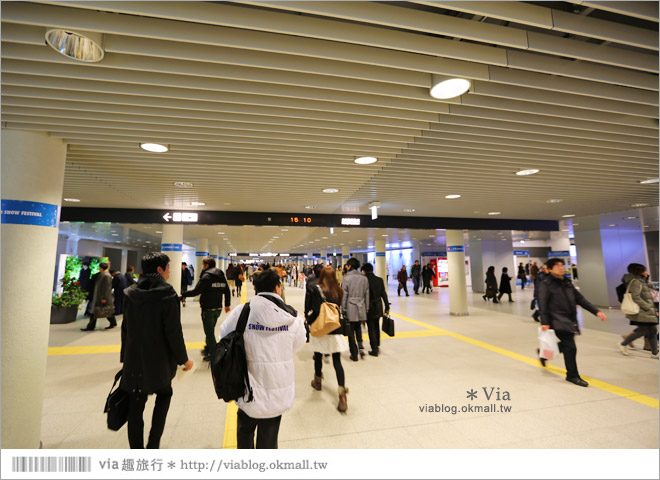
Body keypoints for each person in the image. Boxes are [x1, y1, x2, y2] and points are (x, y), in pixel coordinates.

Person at [219, 268, 306, 449]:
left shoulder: (242, 311)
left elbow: (224, 336)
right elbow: (298, 344)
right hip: (277, 388)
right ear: (277, 287)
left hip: (247, 386)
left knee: (244, 432)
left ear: (256, 288)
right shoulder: (292, 316)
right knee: (269, 438)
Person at [120, 252, 193, 449]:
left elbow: (125, 329)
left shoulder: (130, 292)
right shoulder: (167, 293)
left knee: (135, 406)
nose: (170, 271)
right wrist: (183, 359)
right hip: (159, 361)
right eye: (168, 267)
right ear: (160, 270)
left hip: (134, 360)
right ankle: (153, 446)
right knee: (164, 394)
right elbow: (173, 332)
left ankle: (137, 451)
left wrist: (124, 358)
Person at [539, 258, 607, 387]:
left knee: (567, 344)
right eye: (557, 265)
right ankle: (572, 375)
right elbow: (542, 304)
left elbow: (580, 299)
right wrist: (545, 321)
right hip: (556, 319)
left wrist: (596, 311)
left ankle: (544, 355)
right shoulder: (546, 283)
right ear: (549, 269)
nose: (561, 267)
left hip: (570, 319)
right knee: (570, 347)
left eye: (562, 265)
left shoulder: (567, 282)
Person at [306, 266, 350, 411]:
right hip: (335, 328)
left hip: (320, 328)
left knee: (317, 356)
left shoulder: (314, 288)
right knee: (337, 361)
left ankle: (317, 381)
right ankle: (342, 394)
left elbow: (311, 310)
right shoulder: (339, 290)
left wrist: (309, 321)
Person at [180, 257, 231, 361]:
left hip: (208, 309)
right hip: (218, 308)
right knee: (210, 330)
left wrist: (183, 295)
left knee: (209, 332)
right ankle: (208, 348)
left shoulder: (206, 276)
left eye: (203, 265)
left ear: (207, 265)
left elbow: (196, 291)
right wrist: (227, 304)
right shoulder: (221, 276)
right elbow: (227, 291)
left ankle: (214, 354)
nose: (202, 266)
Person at [617, 263, 659, 359]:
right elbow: (635, 297)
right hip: (642, 311)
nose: (646, 272)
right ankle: (623, 344)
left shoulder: (642, 281)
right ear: (639, 271)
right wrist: (648, 307)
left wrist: (653, 309)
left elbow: (648, 297)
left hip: (647, 310)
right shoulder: (636, 282)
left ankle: (655, 353)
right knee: (642, 331)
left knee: (652, 331)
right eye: (645, 270)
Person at [341, 257, 369, 361]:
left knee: (350, 330)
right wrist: (367, 308)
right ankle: (361, 347)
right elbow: (367, 294)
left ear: (349, 266)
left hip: (350, 306)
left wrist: (343, 309)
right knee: (358, 327)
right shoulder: (364, 278)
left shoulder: (346, 278)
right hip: (361, 305)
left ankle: (354, 353)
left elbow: (344, 295)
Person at [361, 262, 389, 357]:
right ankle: (377, 344)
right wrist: (387, 306)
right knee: (376, 326)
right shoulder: (379, 280)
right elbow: (383, 294)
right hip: (378, 306)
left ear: (364, 271)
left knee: (371, 328)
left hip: (369, 307)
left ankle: (374, 349)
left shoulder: (364, 281)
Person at [81, 262, 117, 331]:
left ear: (101, 268)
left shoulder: (106, 275)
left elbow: (107, 288)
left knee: (104, 311)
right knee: (98, 312)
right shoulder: (104, 274)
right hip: (99, 297)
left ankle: (112, 323)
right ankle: (91, 326)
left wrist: (104, 298)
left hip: (101, 297)